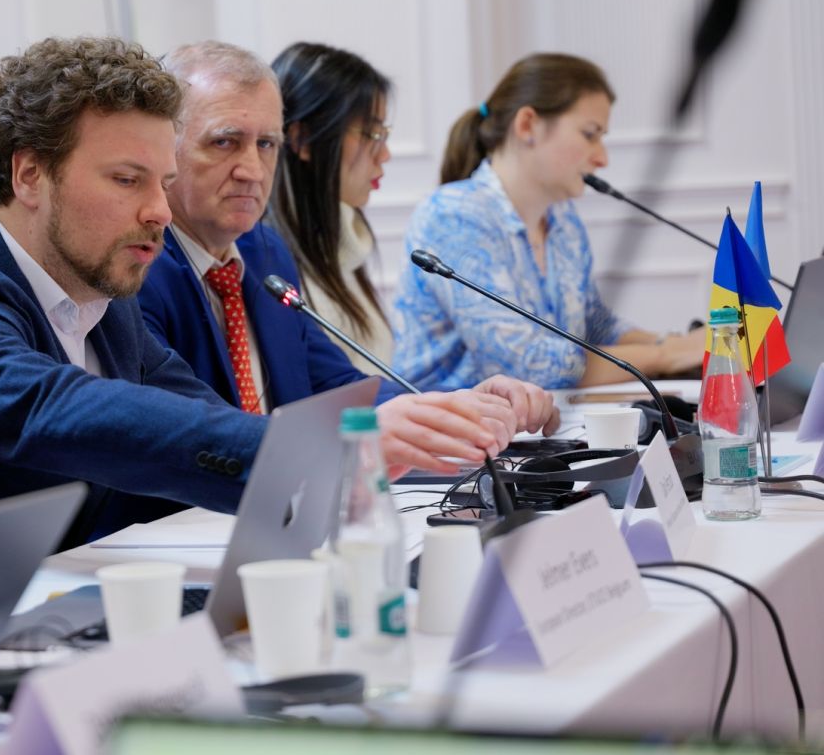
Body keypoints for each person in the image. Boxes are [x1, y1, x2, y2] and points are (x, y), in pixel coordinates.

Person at [0, 36, 273, 546]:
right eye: (127, 180)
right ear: (30, 175)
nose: (160, 211)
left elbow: (194, 414)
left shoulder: (100, 293)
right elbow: (52, 409)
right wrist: (279, 457)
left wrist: (308, 462)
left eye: (163, 183)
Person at [138, 41, 558, 462]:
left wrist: (459, 404)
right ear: (165, 149)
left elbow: (336, 385)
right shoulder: (140, 271)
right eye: (224, 142)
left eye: (266, 144)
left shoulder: (264, 253)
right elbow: (190, 431)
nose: (252, 171)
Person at [393, 52, 704, 390]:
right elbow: (526, 366)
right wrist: (666, 355)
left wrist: (677, 344)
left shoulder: (563, 219)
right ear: (528, 125)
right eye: (590, 134)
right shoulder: (453, 216)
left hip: (542, 419)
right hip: (450, 422)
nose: (602, 158)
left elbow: (594, 325)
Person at [269, 42, 395, 372]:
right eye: (371, 134)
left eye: (383, 133)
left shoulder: (342, 248)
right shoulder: (271, 264)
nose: (385, 155)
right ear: (302, 139)